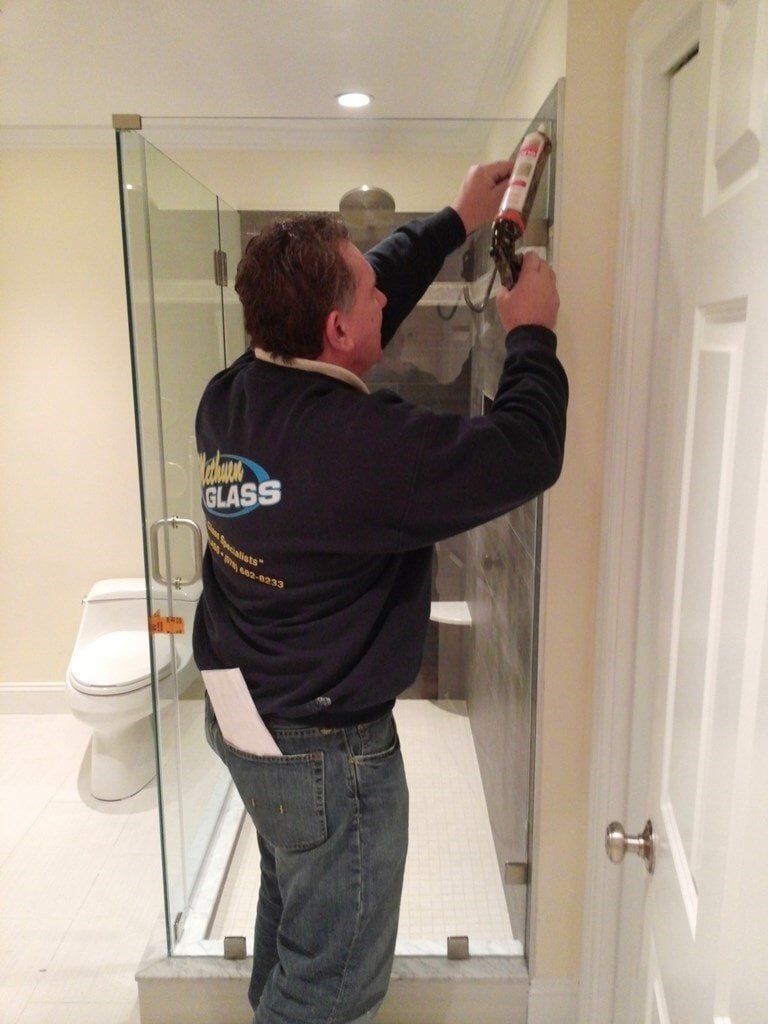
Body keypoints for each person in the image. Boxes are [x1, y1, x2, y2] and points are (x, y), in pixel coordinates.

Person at [195, 160, 567, 1024]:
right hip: (324, 750)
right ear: (334, 327)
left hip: (241, 712)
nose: (381, 303)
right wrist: (532, 335)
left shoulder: (231, 398)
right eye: (365, 295)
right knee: (333, 988)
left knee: (297, 918)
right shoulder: (365, 449)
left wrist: (455, 220)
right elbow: (525, 451)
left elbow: (370, 295)